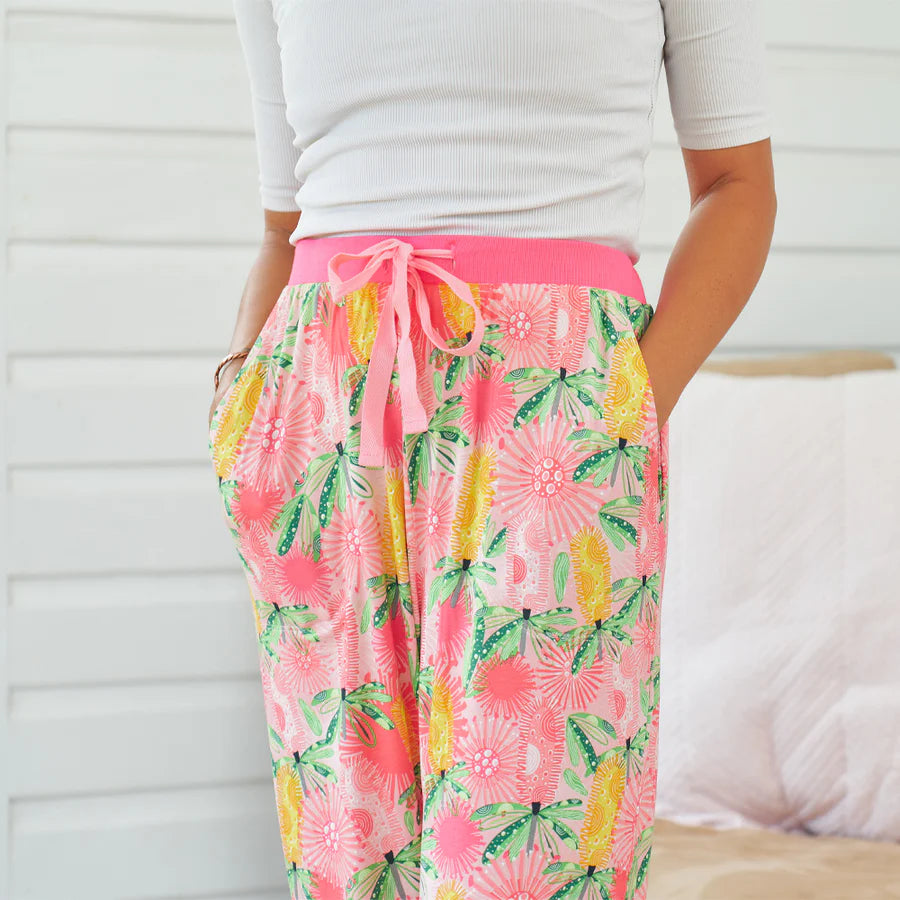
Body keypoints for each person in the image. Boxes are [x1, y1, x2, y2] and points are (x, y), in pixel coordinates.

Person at [207, 1, 777, 897]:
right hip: (321, 409)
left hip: (552, 407)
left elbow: (738, 185)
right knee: (350, 864)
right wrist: (241, 398)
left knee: (530, 855)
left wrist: (626, 407)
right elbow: (285, 223)